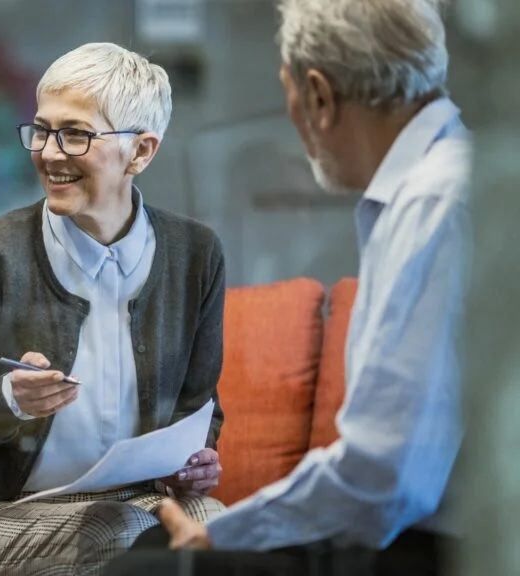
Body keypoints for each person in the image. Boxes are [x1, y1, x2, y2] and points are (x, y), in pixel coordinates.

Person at [108, 1, 469, 574]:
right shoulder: (440, 183)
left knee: (142, 566)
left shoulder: (436, 204)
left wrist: (227, 534)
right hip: (408, 529)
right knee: (151, 550)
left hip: (436, 549)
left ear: (320, 95)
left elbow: (384, 477)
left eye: (290, 94)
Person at [0, 42, 227, 575]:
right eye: (42, 129)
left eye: (76, 134)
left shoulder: (195, 253)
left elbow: (201, 408)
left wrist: (193, 466)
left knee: (222, 531)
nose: (50, 153)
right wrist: (8, 400)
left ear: (141, 152)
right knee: (119, 537)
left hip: (136, 503)